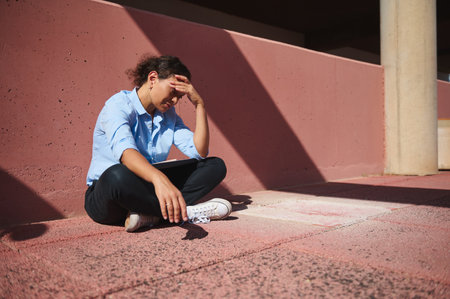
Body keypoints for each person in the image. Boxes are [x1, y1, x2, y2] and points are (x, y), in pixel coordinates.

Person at [84, 55, 231, 232]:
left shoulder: (169, 117)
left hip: (147, 189)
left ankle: (150, 215)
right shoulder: (118, 105)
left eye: (180, 97)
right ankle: (187, 212)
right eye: (173, 92)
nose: (175, 101)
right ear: (153, 78)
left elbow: (199, 151)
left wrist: (200, 105)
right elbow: (126, 153)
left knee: (214, 166)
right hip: (108, 195)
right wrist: (159, 179)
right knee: (116, 175)